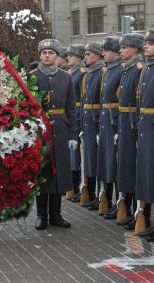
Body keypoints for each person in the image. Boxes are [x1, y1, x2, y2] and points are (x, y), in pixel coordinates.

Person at [32, 39, 78, 230]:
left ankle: (56, 214)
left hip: (60, 129)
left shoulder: (66, 77)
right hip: (39, 130)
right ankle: (41, 215)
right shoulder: (32, 77)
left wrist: (73, 135)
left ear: (57, 56)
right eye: (44, 53)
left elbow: (71, 108)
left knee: (58, 172)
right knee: (42, 172)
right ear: (40, 56)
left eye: (51, 52)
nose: (47, 56)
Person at [116, 33, 150, 230]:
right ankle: (128, 209)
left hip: (133, 124)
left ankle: (140, 212)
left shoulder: (138, 69)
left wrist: (136, 126)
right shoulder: (127, 69)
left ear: (135, 50)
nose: (121, 50)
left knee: (135, 169)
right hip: (124, 122)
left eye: (125, 47)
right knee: (126, 167)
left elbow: (139, 102)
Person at [135, 29, 154, 242]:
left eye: (151, 43)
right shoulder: (149, 67)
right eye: (145, 43)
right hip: (147, 127)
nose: (146, 46)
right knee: (151, 178)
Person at [97, 36, 123, 218]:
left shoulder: (121, 70)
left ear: (116, 52)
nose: (103, 53)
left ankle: (121, 203)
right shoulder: (108, 71)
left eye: (106, 50)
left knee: (116, 165)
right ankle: (113, 202)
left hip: (115, 121)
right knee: (108, 163)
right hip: (106, 121)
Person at [80, 42, 106, 210]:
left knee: (99, 162)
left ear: (98, 55)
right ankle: (93, 195)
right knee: (90, 161)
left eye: (89, 54)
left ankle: (102, 196)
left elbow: (102, 102)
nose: (86, 57)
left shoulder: (102, 72)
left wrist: (97, 125)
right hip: (88, 122)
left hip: (97, 123)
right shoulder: (89, 74)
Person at [67, 44, 87, 203]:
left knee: (80, 157)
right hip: (73, 114)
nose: (68, 58)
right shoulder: (72, 73)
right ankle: (73, 187)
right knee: (73, 156)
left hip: (79, 115)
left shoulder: (81, 73)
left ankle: (82, 187)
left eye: (71, 55)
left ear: (79, 58)